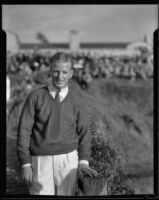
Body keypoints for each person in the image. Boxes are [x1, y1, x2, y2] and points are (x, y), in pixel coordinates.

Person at [17, 52, 97, 195]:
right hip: (40, 160)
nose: (60, 76)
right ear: (50, 71)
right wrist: (25, 163)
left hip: (68, 160)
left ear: (71, 73)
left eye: (65, 72)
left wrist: (83, 162)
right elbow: (24, 130)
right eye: (56, 71)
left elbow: (85, 133)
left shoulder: (78, 101)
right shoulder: (36, 97)